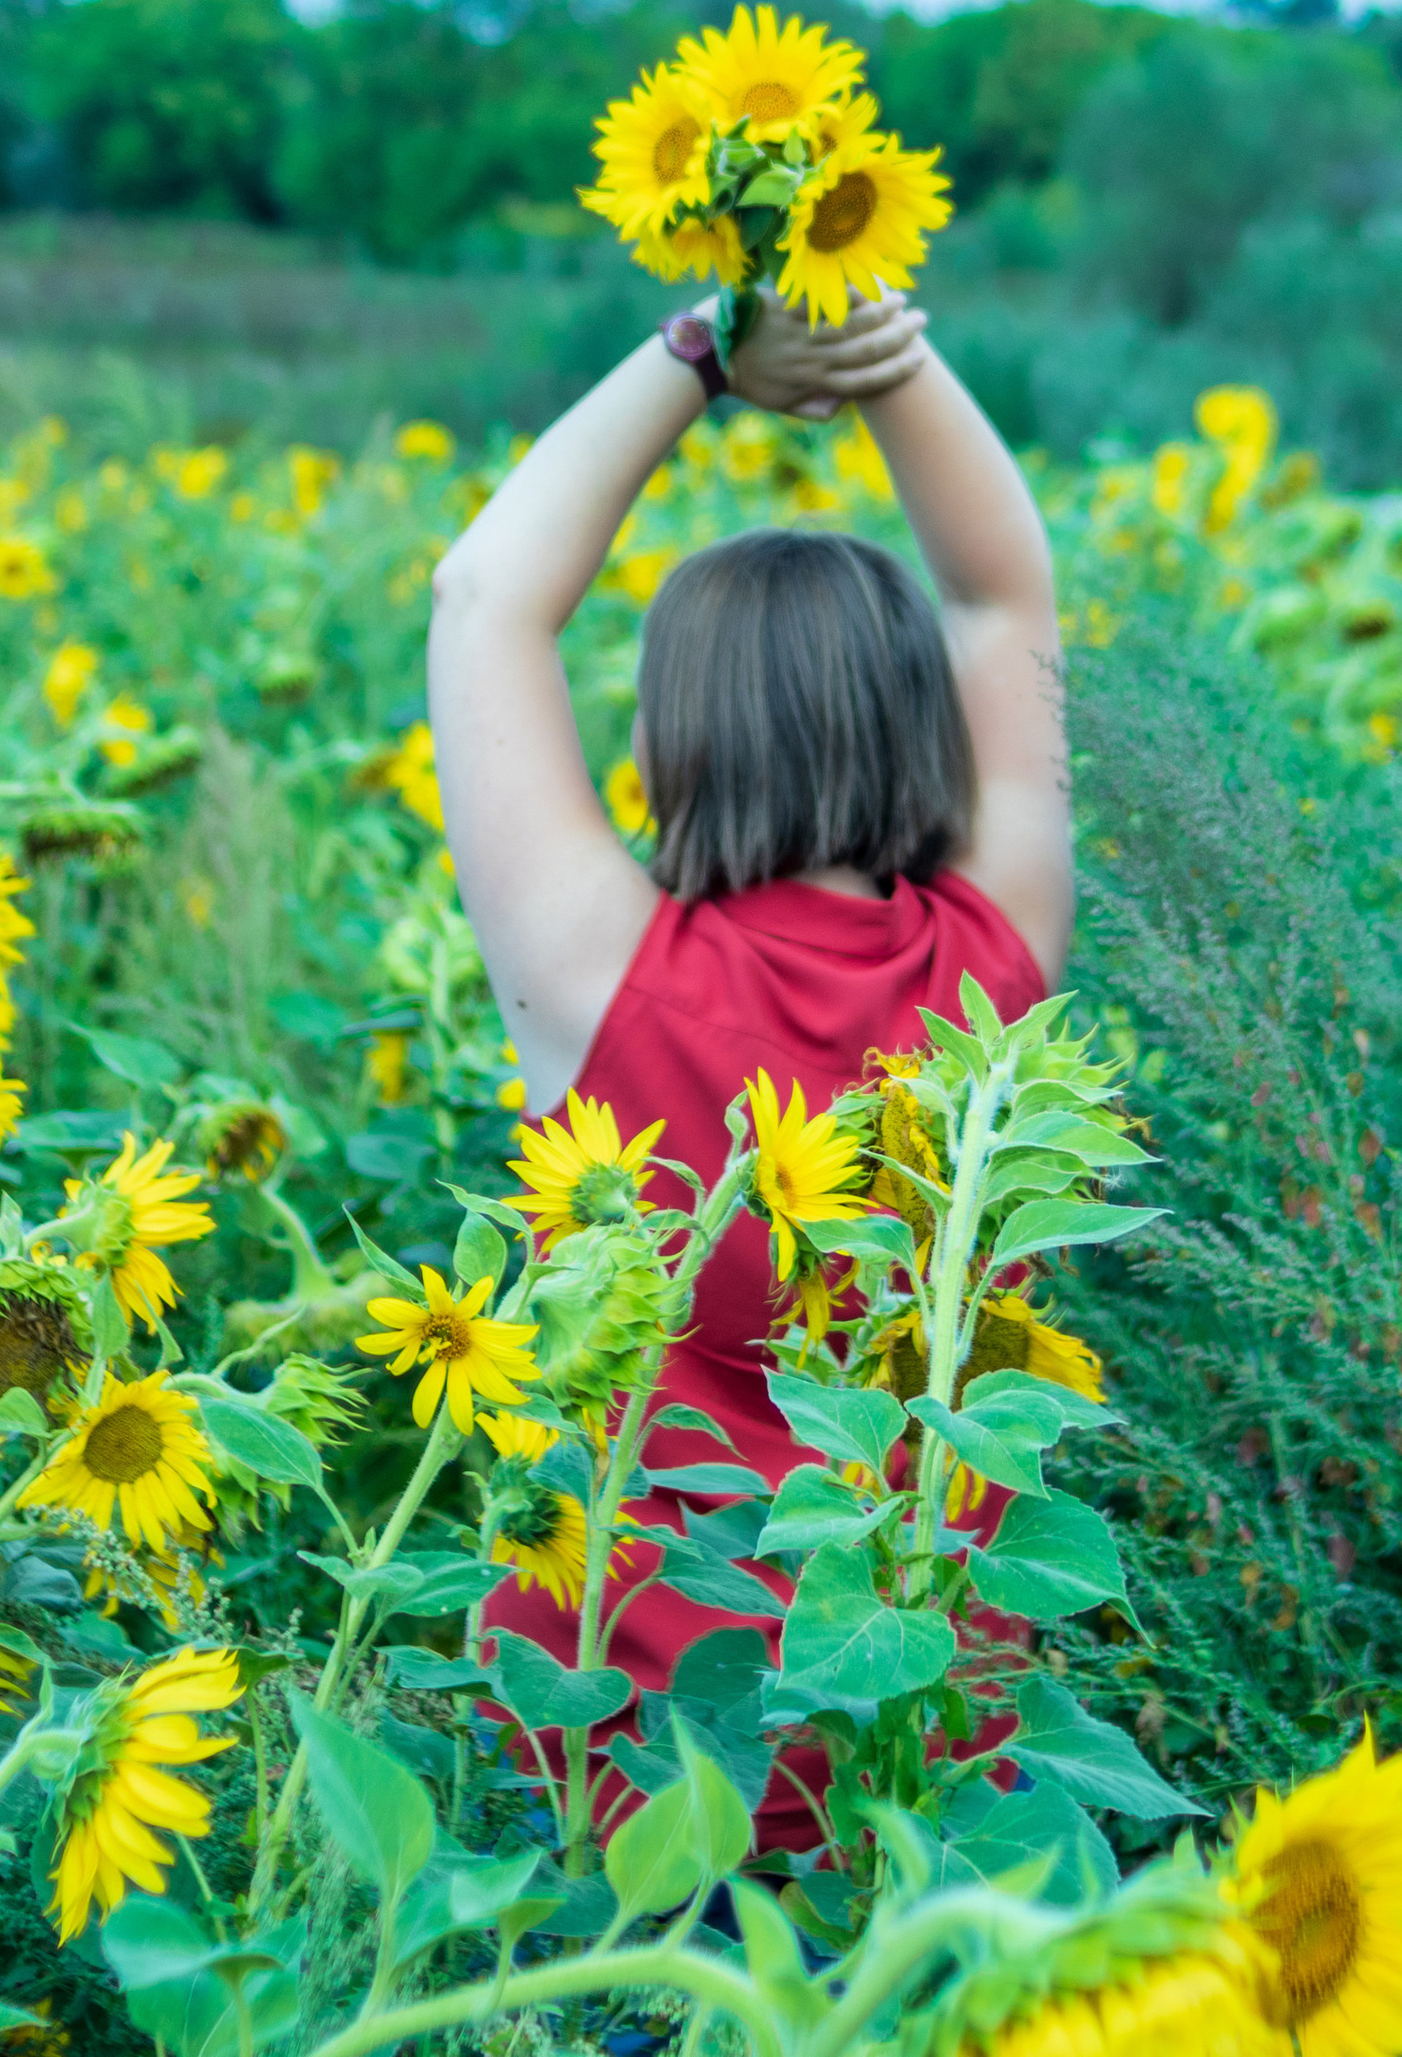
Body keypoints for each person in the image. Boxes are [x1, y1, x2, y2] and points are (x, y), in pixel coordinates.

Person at [424, 282, 1071, 1835]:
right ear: (930, 728)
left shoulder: (604, 980)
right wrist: (881, 350)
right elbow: (1004, 596)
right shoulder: (999, 958)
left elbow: (482, 598)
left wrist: (708, 349)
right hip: (927, 1779)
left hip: (629, 1791)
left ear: (661, 750)